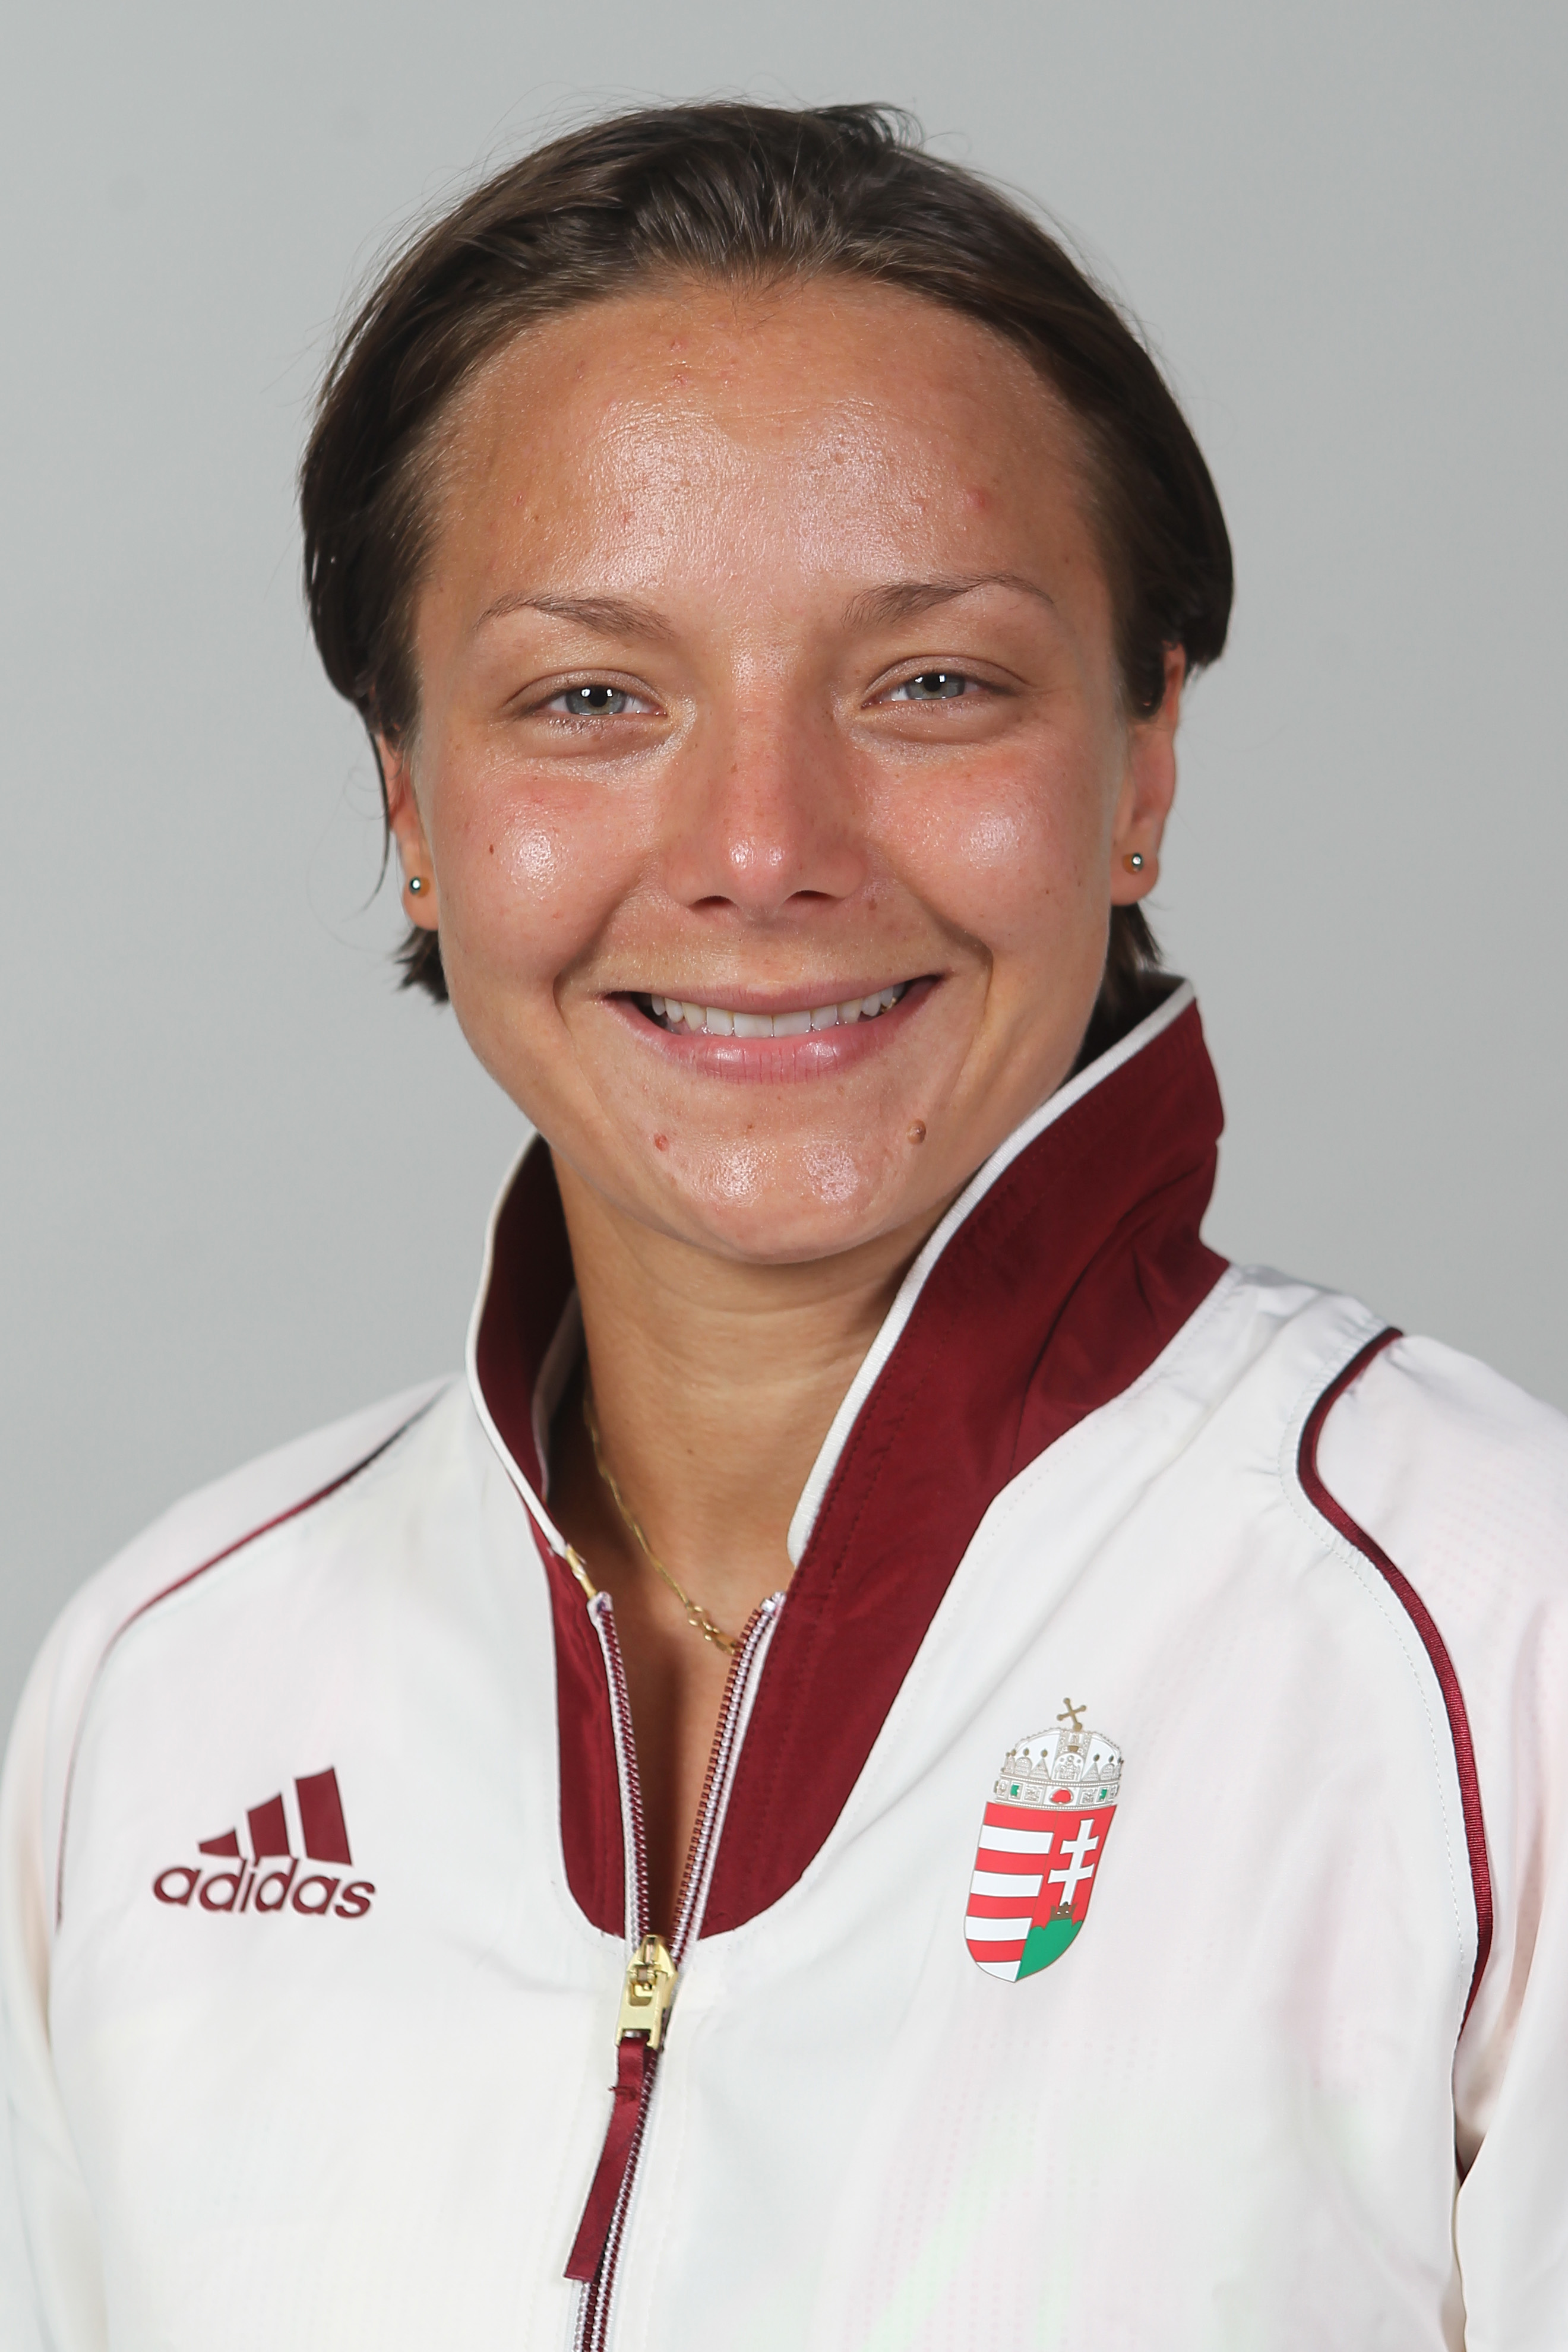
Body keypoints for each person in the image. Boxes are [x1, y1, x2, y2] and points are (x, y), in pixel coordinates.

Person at [3, 99, 1566, 2351]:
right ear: (409, 799)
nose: (762, 848)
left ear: (1141, 761)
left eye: (933, 683)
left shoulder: (1493, 1650)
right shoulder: (165, 1690)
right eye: (590, 698)